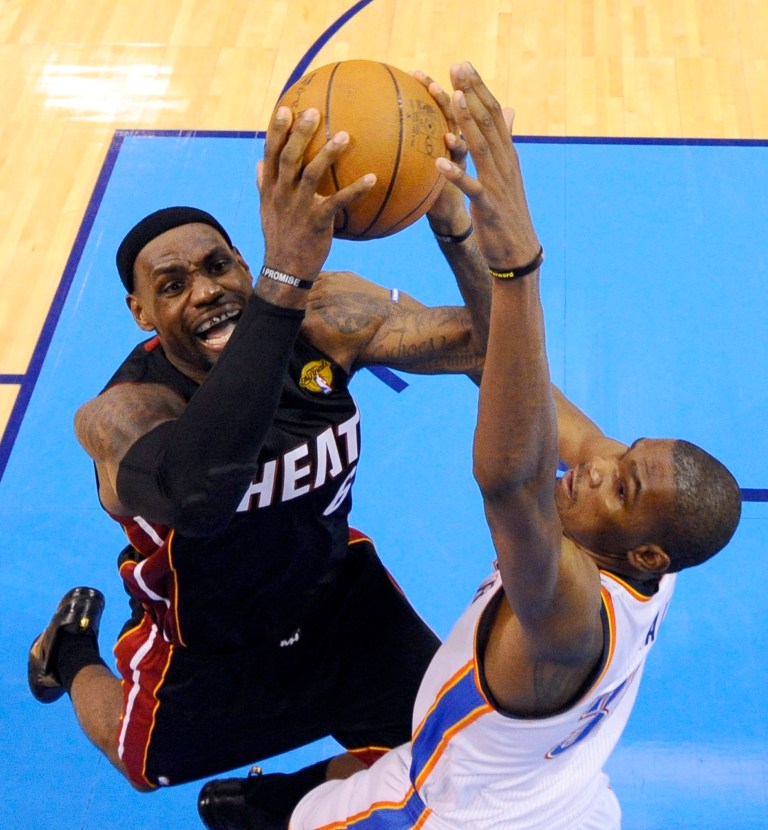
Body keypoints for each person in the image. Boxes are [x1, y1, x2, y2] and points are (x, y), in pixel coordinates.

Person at [234, 62, 741, 830]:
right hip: (565, 795)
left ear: (647, 556)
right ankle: (269, 797)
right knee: (379, 743)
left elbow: (512, 481)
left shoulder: (568, 611)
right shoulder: (648, 540)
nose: (599, 462)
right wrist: (457, 228)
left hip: (448, 817)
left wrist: (520, 268)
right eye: (624, 453)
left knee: (325, 811)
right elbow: (502, 369)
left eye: (622, 485)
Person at [27, 79, 494, 804]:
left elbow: (495, 345)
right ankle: (72, 649)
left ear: (245, 264)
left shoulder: (325, 318)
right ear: (139, 311)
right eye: (172, 284)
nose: (206, 291)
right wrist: (283, 281)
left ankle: (271, 806)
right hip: (212, 641)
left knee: (453, 744)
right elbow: (200, 492)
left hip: (335, 597)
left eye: (218, 267)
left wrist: (457, 227)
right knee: (142, 767)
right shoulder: (119, 414)